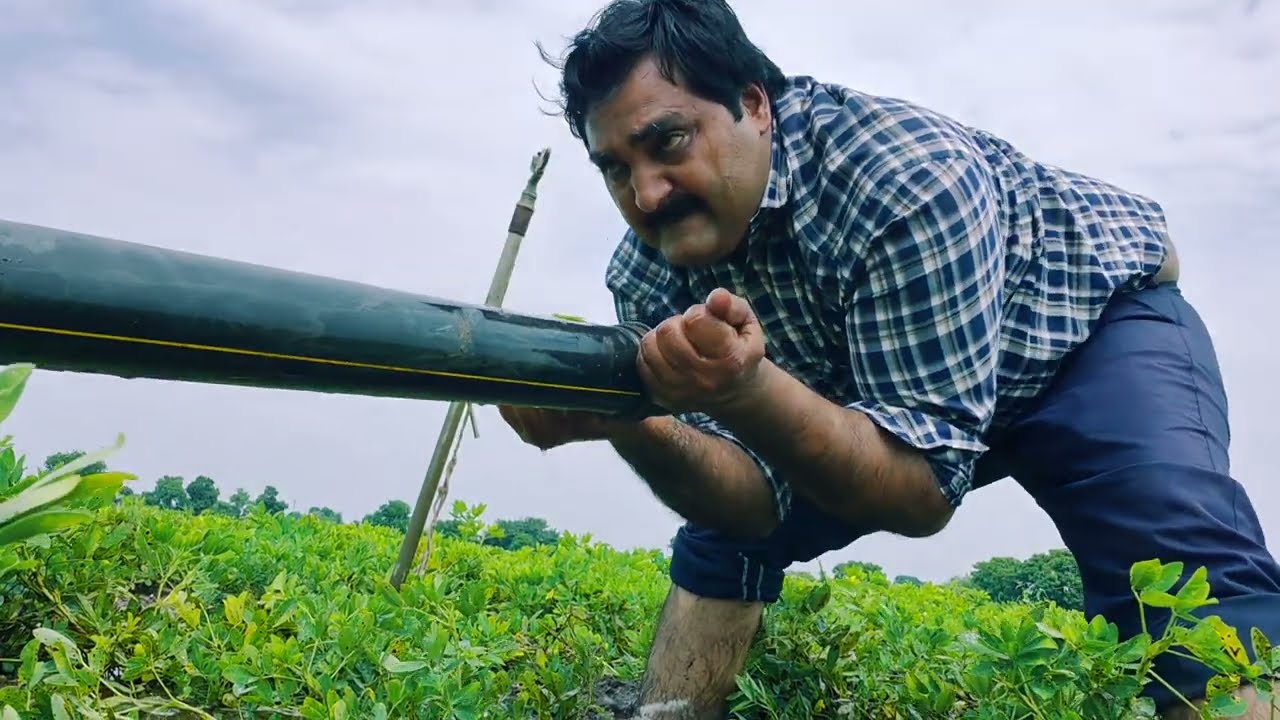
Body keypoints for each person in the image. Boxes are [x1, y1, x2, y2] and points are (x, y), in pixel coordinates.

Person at [499, 0, 1280, 717]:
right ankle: (668, 711)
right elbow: (748, 507)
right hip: (886, 383)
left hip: (1081, 333)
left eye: (668, 141)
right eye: (615, 167)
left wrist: (747, 392)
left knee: (1180, 576)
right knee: (718, 544)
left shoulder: (903, 179)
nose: (647, 194)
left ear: (754, 104)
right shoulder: (646, 272)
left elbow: (921, 494)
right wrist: (630, 418)